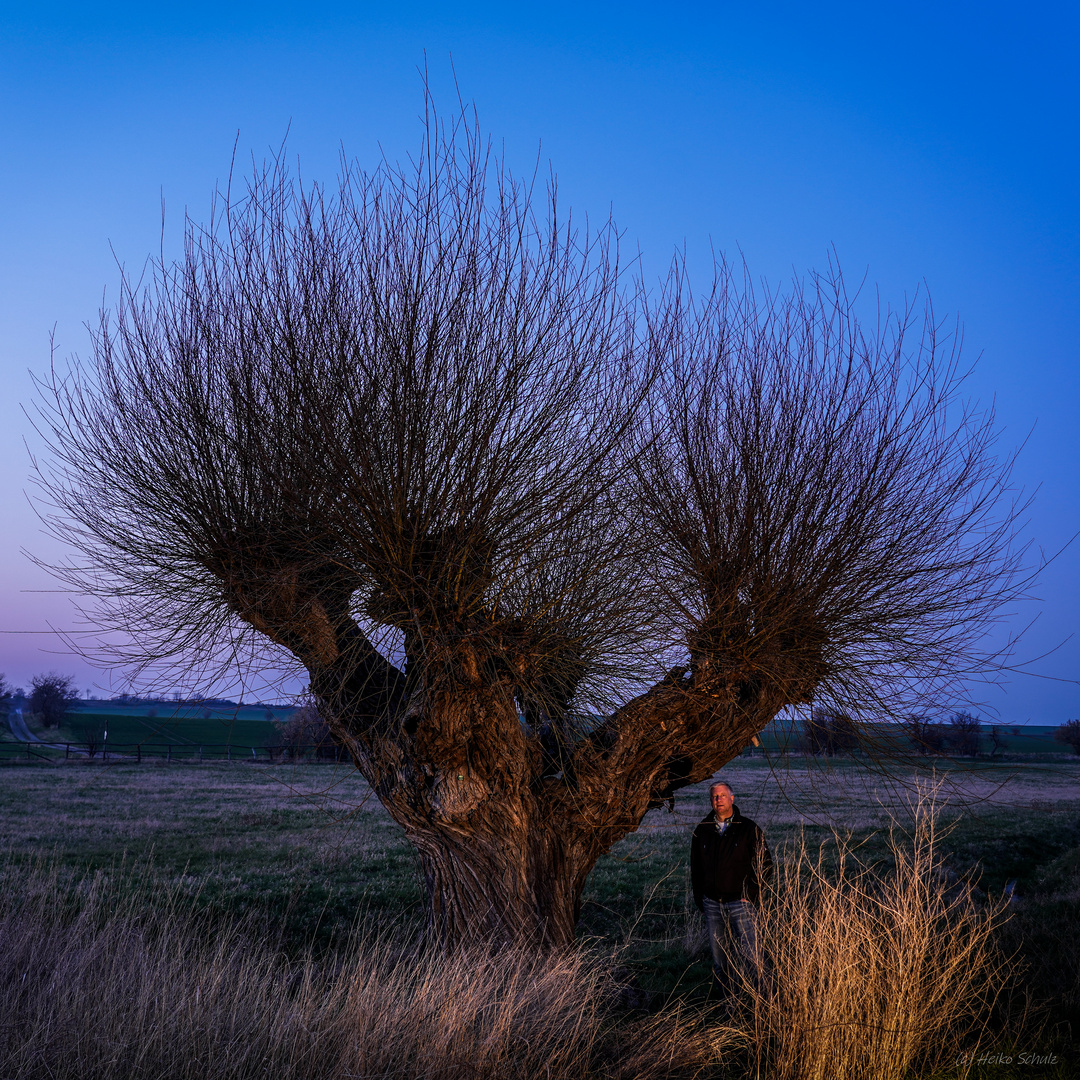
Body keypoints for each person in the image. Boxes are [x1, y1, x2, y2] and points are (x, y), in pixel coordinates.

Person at [690, 780, 771, 999]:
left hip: (740, 902)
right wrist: (701, 901)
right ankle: (729, 1005)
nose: (718, 800)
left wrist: (750, 895)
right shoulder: (702, 831)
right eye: (715, 797)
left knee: (753, 958)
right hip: (712, 904)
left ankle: (764, 1004)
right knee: (720, 961)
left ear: (732, 798)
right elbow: (695, 869)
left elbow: (765, 866)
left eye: (722, 795)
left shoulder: (748, 829)